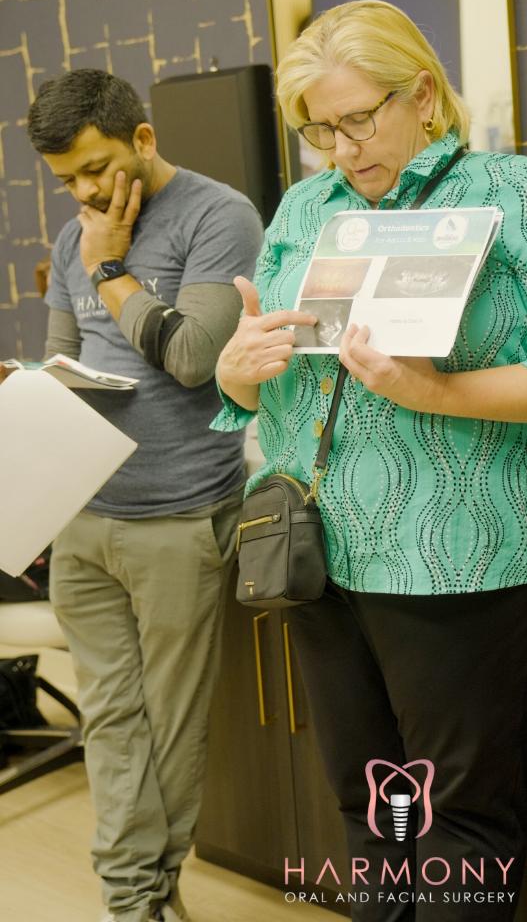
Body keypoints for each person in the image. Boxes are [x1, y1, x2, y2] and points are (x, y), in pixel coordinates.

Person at [213, 0, 527, 920]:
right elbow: (281, 377)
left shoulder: (511, 192)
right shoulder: (307, 206)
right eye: (320, 128)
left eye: (360, 118)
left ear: (424, 94)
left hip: (458, 549)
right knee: (369, 814)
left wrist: (443, 394)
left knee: (456, 823)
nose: (343, 148)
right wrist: (238, 374)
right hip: (321, 550)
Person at [23, 69, 264, 922]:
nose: (86, 192)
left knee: (170, 726)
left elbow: (196, 357)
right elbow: (65, 362)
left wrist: (112, 267)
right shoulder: (75, 228)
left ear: (144, 139)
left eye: (95, 168)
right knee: (112, 720)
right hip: (86, 514)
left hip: (179, 517)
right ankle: (133, 903)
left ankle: (146, 898)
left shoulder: (218, 217)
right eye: (67, 180)